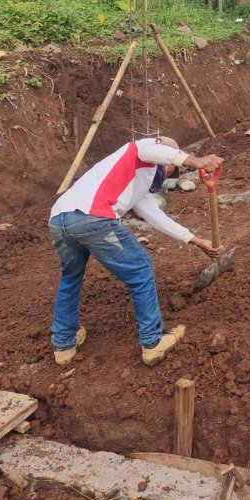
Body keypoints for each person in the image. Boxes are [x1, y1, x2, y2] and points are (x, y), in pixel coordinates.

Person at [48, 137, 224, 367]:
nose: (170, 171)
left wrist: (196, 240)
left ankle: (63, 344)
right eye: (172, 166)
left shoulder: (134, 182)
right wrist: (194, 160)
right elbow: (153, 150)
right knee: (141, 270)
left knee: (71, 277)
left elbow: (156, 217)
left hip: (59, 220)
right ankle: (152, 342)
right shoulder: (141, 148)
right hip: (93, 218)